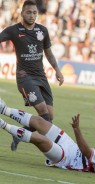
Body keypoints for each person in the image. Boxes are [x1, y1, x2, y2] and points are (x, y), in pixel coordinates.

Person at [0, 0, 64, 151]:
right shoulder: (13, 30)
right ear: (22, 13)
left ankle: (20, 133)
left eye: (35, 12)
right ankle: (54, 149)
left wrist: (57, 70)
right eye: (28, 12)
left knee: (49, 116)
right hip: (25, 78)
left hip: (41, 77)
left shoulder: (42, 31)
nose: (32, 15)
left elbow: (49, 53)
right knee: (44, 114)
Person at [0, 98, 95, 174]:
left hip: (68, 159)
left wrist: (77, 130)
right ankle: (4, 109)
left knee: (40, 140)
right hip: (71, 146)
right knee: (40, 122)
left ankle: (3, 124)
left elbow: (86, 151)